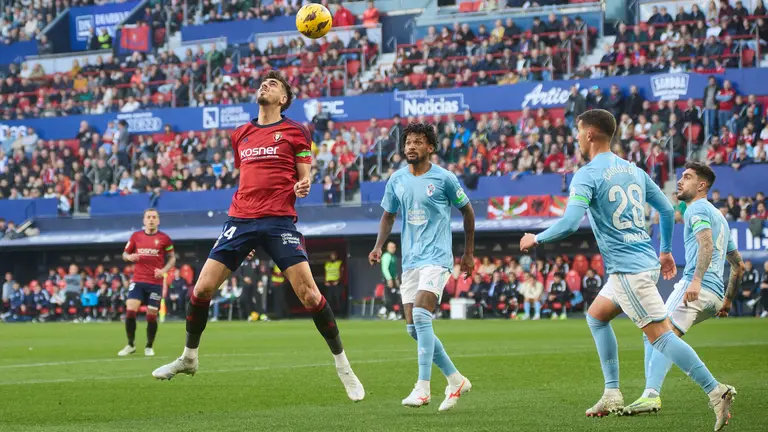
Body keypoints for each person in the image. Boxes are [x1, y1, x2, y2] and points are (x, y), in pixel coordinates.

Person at [151, 71, 365, 402]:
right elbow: (247, 178)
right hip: (240, 219)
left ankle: (344, 366)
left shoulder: (296, 131)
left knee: (309, 294)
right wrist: (247, 240)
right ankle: (189, 358)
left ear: (284, 99)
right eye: (263, 82)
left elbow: (304, 174)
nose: (264, 86)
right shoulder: (241, 134)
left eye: (273, 84)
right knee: (202, 288)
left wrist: (303, 184)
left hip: (279, 220)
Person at [519, 110, 736, 430]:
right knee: (597, 314)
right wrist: (664, 251)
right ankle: (611, 392)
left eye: (578, 133)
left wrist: (534, 238)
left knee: (660, 337)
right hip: (644, 262)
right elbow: (665, 207)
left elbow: (568, 224)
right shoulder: (633, 170)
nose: (576, 138)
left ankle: (715, 391)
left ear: (590, 135)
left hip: (627, 270)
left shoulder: (586, 174)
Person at [369, 121, 476, 412]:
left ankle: (423, 387)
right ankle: (455, 379)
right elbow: (388, 216)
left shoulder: (445, 179)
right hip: (412, 261)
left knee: (420, 314)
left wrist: (468, 253)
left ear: (430, 146)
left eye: (418, 142)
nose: (411, 147)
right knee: (413, 329)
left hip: (437, 258)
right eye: (408, 143)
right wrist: (378, 246)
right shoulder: (397, 180)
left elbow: (467, 211)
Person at [623, 162, 744, 416]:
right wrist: (728, 302)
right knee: (652, 333)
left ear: (702, 186)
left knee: (660, 334)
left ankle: (656, 394)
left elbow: (706, 245)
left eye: (687, 177)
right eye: (680, 176)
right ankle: (650, 392)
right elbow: (738, 265)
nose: (680, 181)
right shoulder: (719, 216)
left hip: (696, 286)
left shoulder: (696, 209)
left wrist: (696, 281)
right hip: (715, 296)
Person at [118, 208, 176, 357]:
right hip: (138, 280)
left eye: (154, 217)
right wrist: (129, 257)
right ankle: (130, 345)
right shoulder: (136, 236)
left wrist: (164, 270)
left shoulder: (164, 238)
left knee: (151, 315)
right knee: (130, 311)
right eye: (148, 217)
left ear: (158, 220)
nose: (151, 219)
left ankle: (149, 346)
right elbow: (125, 253)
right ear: (144, 220)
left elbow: (172, 258)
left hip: (155, 283)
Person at [380, 241, 401, 320]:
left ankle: (383, 311)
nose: (393, 249)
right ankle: (391, 313)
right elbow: (385, 269)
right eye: (391, 247)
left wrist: (395, 278)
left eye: (394, 247)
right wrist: (389, 279)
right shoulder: (386, 256)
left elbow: (394, 270)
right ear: (387, 248)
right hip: (387, 279)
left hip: (393, 279)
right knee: (388, 296)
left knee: (394, 296)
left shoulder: (394, 257)